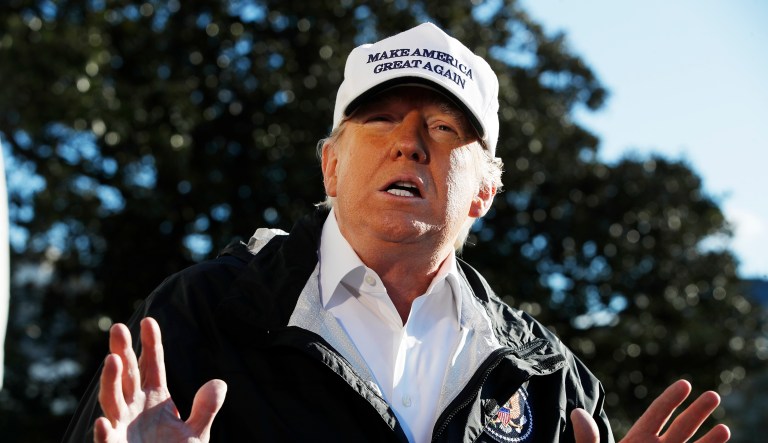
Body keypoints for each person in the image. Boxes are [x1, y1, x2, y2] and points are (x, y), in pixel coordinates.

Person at [64, 23, 731, 443]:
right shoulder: (199, 315)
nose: (409, 142)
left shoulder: (552, 381)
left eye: (443, 129)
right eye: (379, 119)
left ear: (484, 193)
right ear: (330, 164)